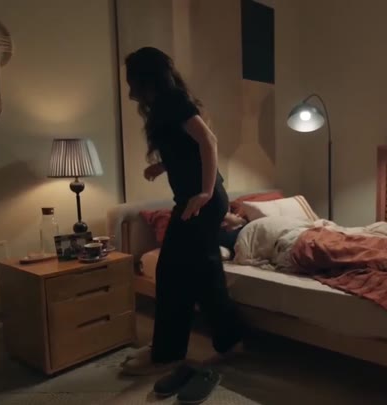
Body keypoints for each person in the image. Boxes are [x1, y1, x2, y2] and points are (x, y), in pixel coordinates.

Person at [120, 46, 243, 403]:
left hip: (199, 202)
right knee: (204, 272)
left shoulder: (173, 102)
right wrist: (162, 166)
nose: (129, 87)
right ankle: (230, 340)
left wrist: (205, 192)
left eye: (131, 79)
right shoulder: (166, 105)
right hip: (196, 201)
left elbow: (208, 141)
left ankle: (168, 353)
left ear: (145, 78)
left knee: (172, 272)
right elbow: (187, 146)